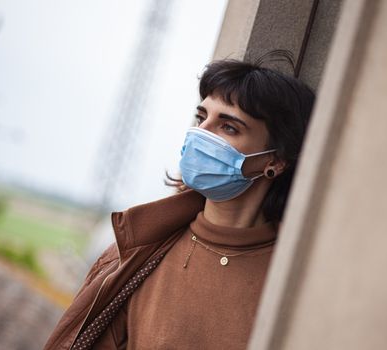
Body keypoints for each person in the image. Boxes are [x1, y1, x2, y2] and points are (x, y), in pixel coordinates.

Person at [44, 55, 315, 350]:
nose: (200, 134)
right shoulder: (138, 255)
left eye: (229, 127)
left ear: (275, 159)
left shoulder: (298, 279)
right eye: (201, 118)